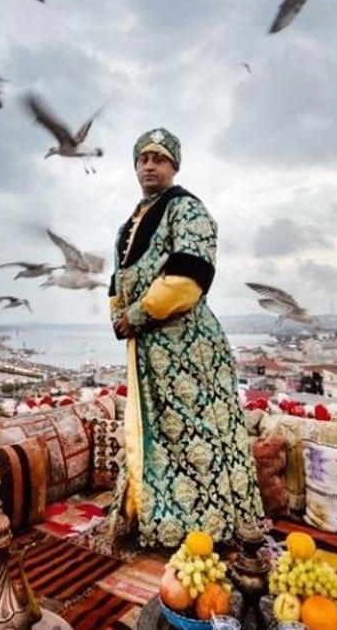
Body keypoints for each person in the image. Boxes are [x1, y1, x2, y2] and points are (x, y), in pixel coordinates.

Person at [107, 128, 263, 547]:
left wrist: (135, 315)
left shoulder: (188, 210)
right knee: (160, 439)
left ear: (174, 165)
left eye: (159, 158)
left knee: (196, 437)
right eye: (143, 159)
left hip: (188, 348)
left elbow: (188, 277)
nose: (150, 166)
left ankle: (208, 531)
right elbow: (117, 281)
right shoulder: (127, 226)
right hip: (148, 354)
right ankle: (157, 522)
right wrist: (118, 315)